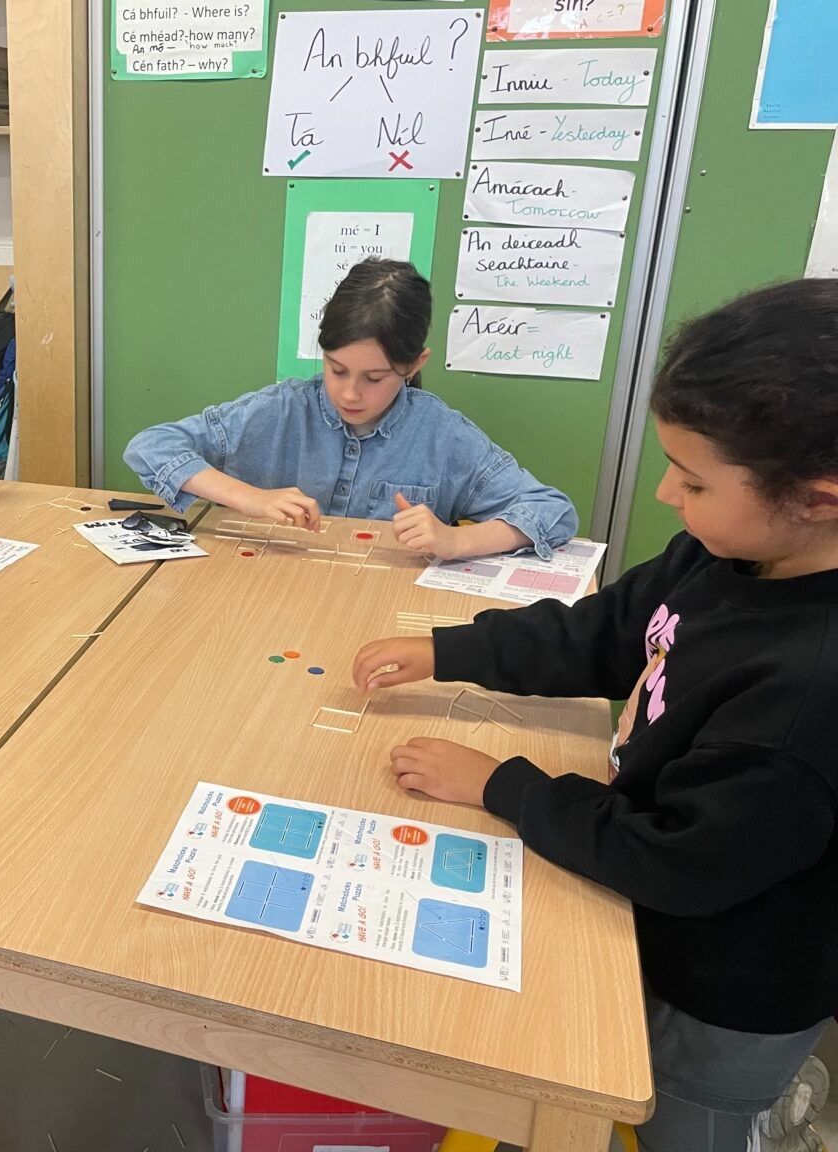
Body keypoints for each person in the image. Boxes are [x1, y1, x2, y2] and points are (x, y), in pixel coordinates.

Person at [350, 278, 838, 1152]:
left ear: (819, 497)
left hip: (728, 987)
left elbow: (678, 861)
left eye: (693, 480)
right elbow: (608, 631)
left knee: (685, 1120)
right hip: (653, 908)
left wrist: (502, 785)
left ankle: (758, 1116)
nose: (665, 494)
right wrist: (449, 651)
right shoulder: (733, 550)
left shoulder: (807, 693)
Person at [124, 259, 577, 560]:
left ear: (414, 364)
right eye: (336, 370)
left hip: (375, 613)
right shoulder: (281, 411)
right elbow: (151, 446)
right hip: (260, 599)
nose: (350, 394)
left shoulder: (442, 435)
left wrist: (457, 539)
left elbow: (552, 510)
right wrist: (250, 498)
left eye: (374, 378)